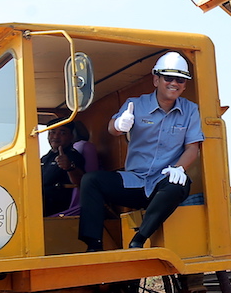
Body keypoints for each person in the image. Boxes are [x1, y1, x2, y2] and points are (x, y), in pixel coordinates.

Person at [78, 51, 203, 251]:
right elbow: (112, 129)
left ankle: (139, 239)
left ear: (185, 84)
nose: (174, 83)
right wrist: (120, 124)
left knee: (179, 184)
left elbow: (192, 148)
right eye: (168, 77)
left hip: (162, 184)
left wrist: (178, 168)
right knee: (91, 181)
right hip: (134, 182)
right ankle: (93, 244)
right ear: (156, 79)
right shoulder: (135, 104)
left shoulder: (190, 110)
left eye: (180, 79)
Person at [40, 121, 86, 217]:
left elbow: (82, 181)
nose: (56, 137)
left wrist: (69, 167)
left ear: (71, 136)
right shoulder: (45, 158)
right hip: (38, 202)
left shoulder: (72, 155)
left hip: (55, 207)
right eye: (52, 132)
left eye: (62, 133)